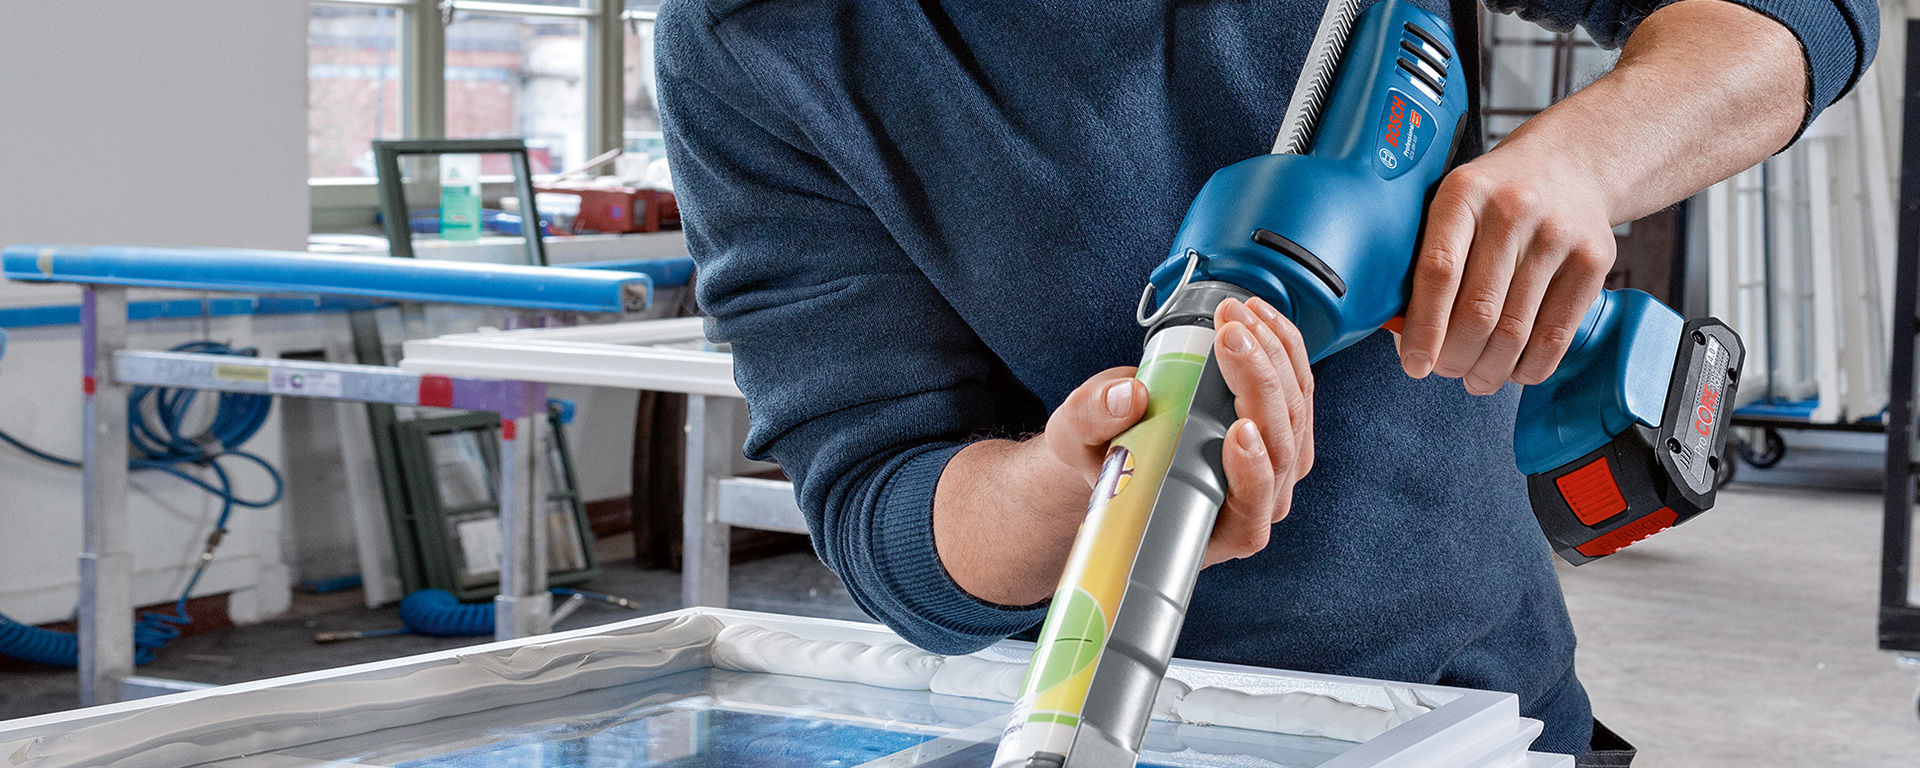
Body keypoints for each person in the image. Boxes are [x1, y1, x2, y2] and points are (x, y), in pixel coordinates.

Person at [655, 0, 1876, 759]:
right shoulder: (752, 41)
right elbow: (879, 502)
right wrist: (1064, 496)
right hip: (1142, 729)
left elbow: (1804, 10)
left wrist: (1580, 163)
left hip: (1485, 708)